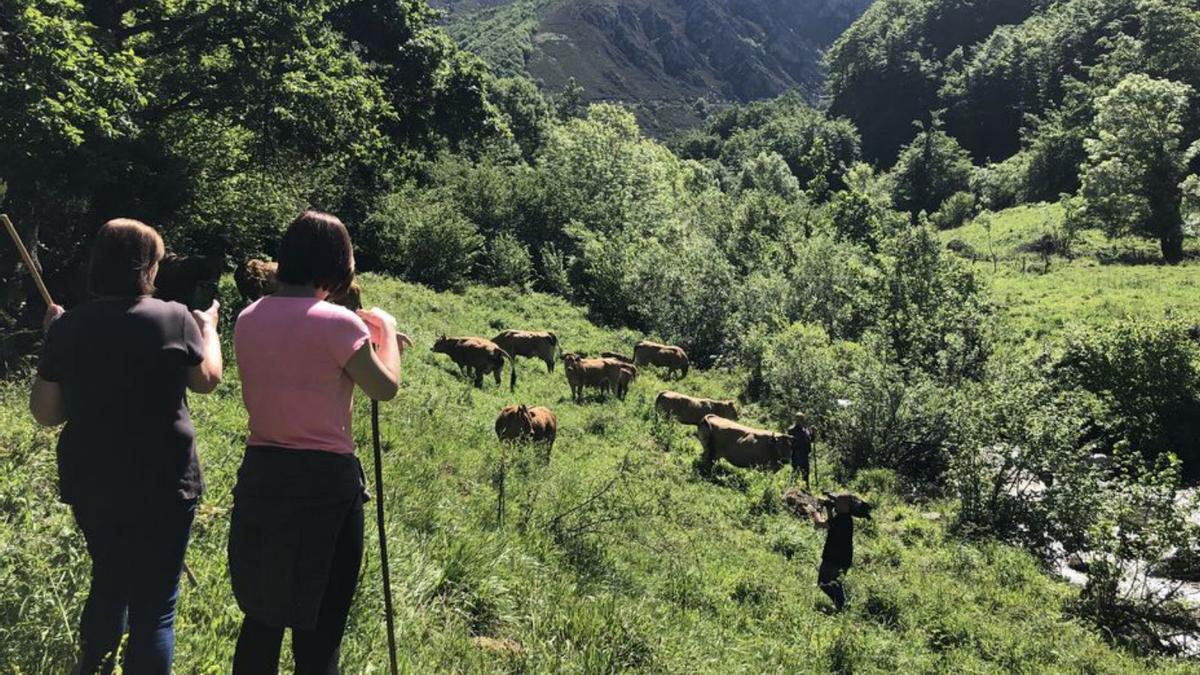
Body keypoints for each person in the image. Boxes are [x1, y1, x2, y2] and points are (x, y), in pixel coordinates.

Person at [29, 218, 224, 675]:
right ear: (146, 268)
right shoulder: (175, 317)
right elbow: (207, 380)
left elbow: (46, 413)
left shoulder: (69, 327)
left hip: (94, 481)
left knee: (109, 582)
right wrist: (209, 328)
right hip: (165, 482)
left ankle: (93, 668)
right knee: (155, 607)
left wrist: (53, 338)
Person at [229, 210, 402, 675]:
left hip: (262, 474)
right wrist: (383, 331)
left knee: (262, 618)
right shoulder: (341, 325)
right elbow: (384, 388)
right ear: (338, 263)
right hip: (325, 485)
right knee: (321, 625)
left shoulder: (248, 317)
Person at [815, 493, 872, 611]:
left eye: (838, 501)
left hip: (835, 559)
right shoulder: (843, 518)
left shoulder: (843, 519)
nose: (835, 502)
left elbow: (819, 524)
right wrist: (829, 509)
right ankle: (841, 607)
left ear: (846, 507)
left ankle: (842, 607)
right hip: (838, 558)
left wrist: (816, 511)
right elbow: (831, 525)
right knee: (832, 583)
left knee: (826, 583)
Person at [787, 413, 815, 488]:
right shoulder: (791, 430)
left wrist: (813, 433)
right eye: (799, 419)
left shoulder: (805, 430)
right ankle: (791, 489)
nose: (800, 421)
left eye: (802, 419)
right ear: (796, 420)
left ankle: (806, 490)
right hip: (796, 454)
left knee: (805, 474)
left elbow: (811, 440)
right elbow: (789, 442)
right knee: (795, 473)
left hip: (805, 455)